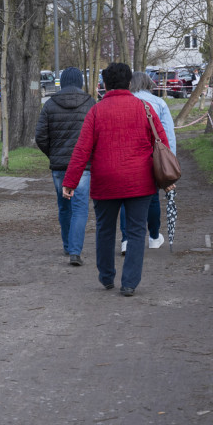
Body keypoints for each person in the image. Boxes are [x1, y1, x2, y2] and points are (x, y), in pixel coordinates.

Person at [62, 62, 172, 296]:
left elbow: (82, 150)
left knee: (104, 229)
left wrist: (70, 182)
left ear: (104, 84)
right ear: (129, 83)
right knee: (135, 232)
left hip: (105, 182)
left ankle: (106, 277)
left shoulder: (96, 111)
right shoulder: (144, 108)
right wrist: (167, 179)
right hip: (140, 182)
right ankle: (130, 283)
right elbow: (162, 142)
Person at [35, 67, 96, 266]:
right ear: (80, 82)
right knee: (80, 207)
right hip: (83, 166)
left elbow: (41, 136)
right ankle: (75, 251)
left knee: (64, 206)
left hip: (60, 165)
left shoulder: (50, 104)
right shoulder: (90, 104)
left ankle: (68, 245)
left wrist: (52, 154)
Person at [119, 71, 177, 254]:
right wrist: (170, 163)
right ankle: (153, 237)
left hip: (127, 157)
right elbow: (168, 134)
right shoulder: (159, 103)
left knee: (125, 199)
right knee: (152, 198)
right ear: (148, 83)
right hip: (151, 157)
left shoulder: (123, 103)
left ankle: (126, 240)